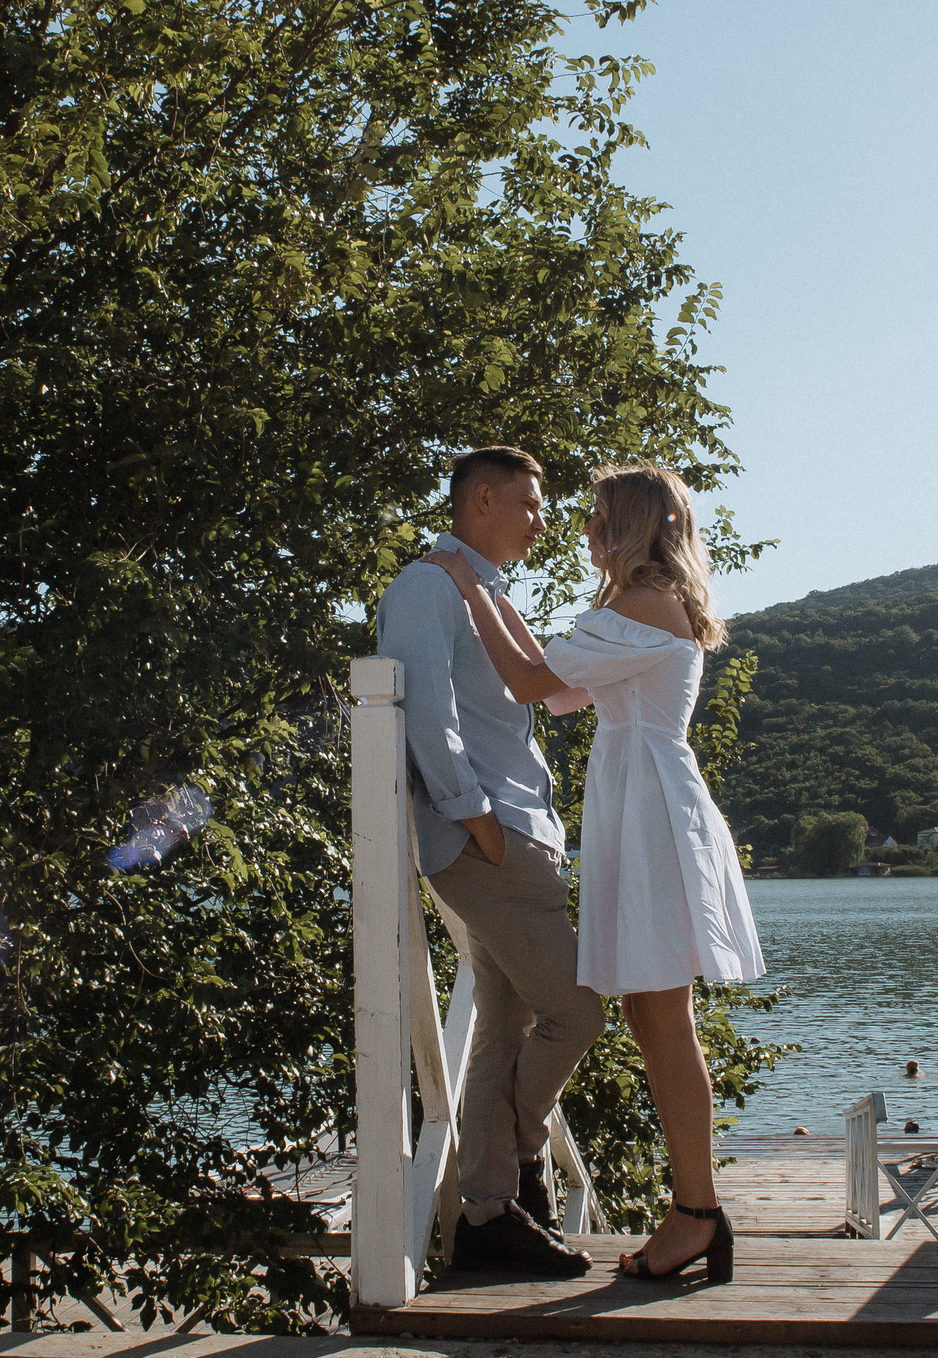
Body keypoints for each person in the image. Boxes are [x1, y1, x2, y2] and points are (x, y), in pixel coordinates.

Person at [422, 463, 762, 1284]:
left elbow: (532, 682)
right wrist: (491, 596)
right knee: (653, 1020)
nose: (583, 529)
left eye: (598, 515)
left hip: (649, 814)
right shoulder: (639, 610)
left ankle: (698, 1213)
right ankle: (695, 1209)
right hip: (640, 806)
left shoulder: (641, 605)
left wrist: (470, 587)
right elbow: (557, 679)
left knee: (663, 1021)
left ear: (632, 524)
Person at [376, 447, 601, 1280]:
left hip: (519, 833)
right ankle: (522, 1168)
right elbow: (426, 710)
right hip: (491, 838)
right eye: (530, 503)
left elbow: (551, 693)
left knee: (501, 1031)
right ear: (481, 498)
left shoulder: (489, 595)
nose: (543, 520)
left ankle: (487, 1216)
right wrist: (476, 818)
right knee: (578, 1013)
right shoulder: (428, 586)